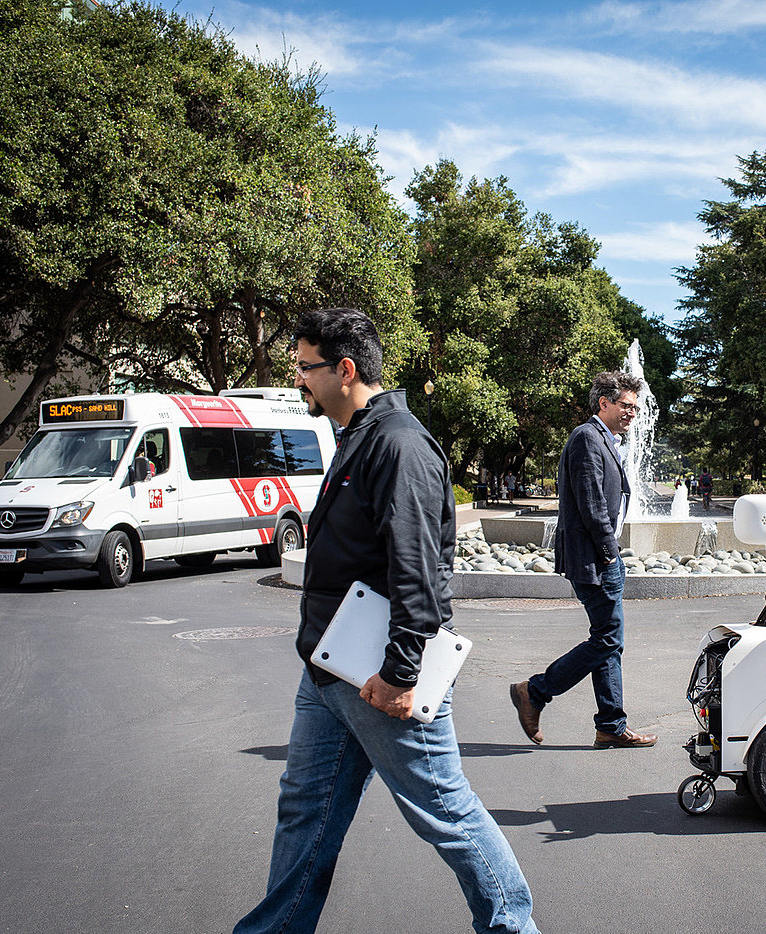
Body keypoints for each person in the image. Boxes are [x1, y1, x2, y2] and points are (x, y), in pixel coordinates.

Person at [235, 308, 537, 934]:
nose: (298, 380)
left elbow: (419, 571)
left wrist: (401, 672)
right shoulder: (361, 437)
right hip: (330, 671)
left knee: (446, 815)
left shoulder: (397, 444)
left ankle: (515, 928)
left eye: (304, 368)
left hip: (381, 674)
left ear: (344, 370)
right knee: (304, 812)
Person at [510, 371, 657, 750]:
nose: (632, 413)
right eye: (626, 405)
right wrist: (611, 555)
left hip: (600, 556)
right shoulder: (586, 438)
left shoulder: (603, 440)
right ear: (603, 403)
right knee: (607, 639)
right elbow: (593, 505)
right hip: (595, 559)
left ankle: (610, 724)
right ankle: (535, 691)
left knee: (609, 640)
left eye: (635, 407)